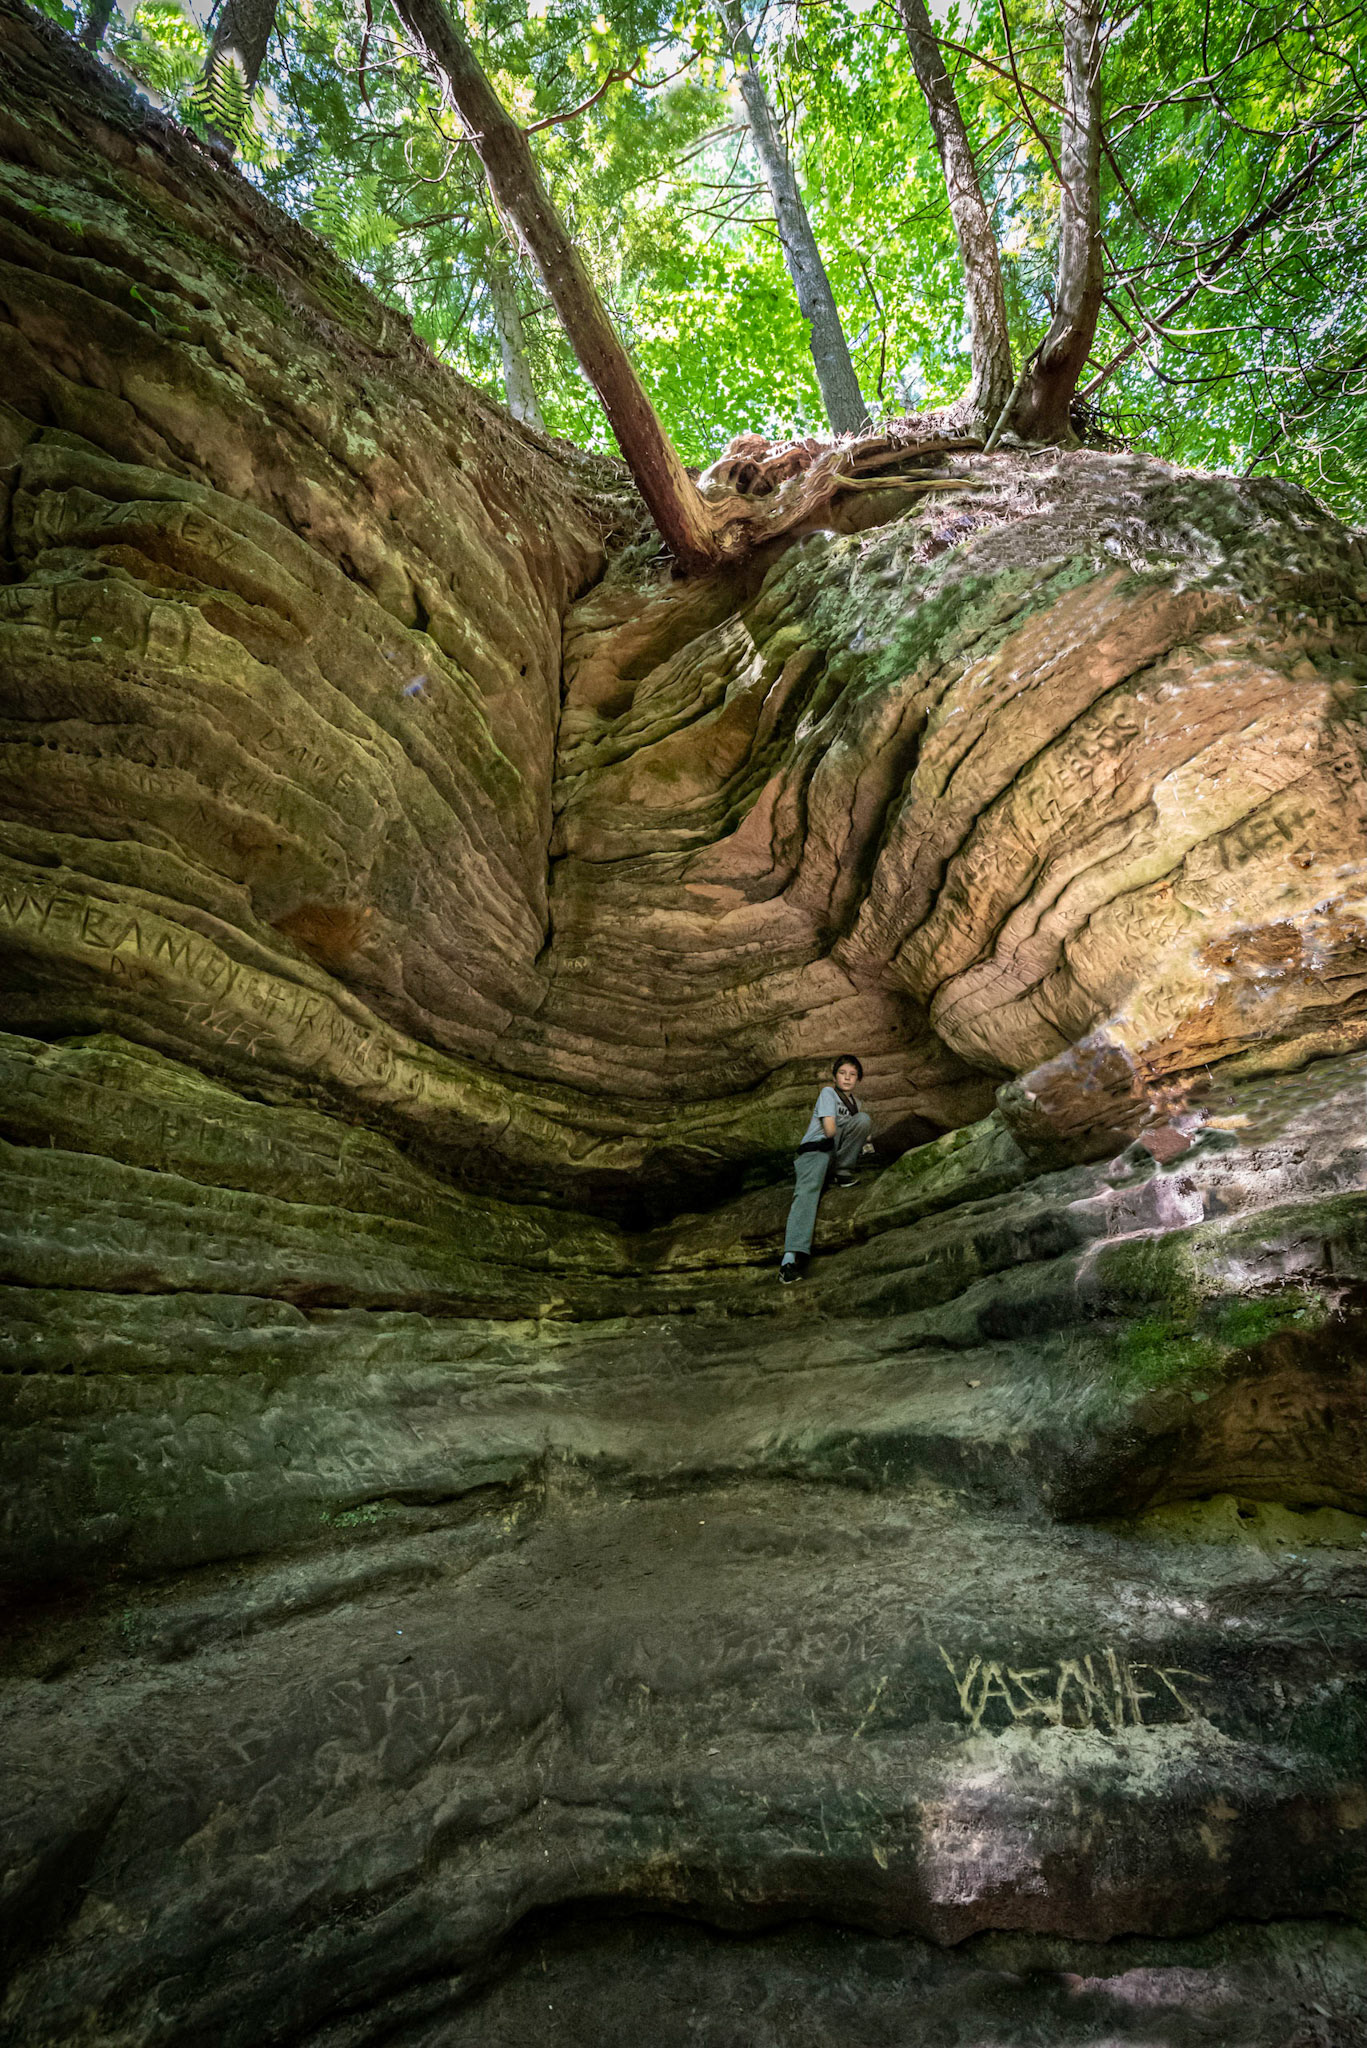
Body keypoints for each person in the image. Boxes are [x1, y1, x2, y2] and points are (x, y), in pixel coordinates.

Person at [778, 1055, 871, 1283]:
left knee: (863, 1119)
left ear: (858, 1079)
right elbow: (829, 1131)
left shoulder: (856, 1105)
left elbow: (861, 1130)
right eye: (843, 1073)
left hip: (835, 1157)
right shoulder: (827, 1093)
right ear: (835, 1076)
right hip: (816, 1152)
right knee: (808, 1193)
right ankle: (789, 1261)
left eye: (852, 1074)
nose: (847, 1078)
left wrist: (864, 1144)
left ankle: (843, 1173)